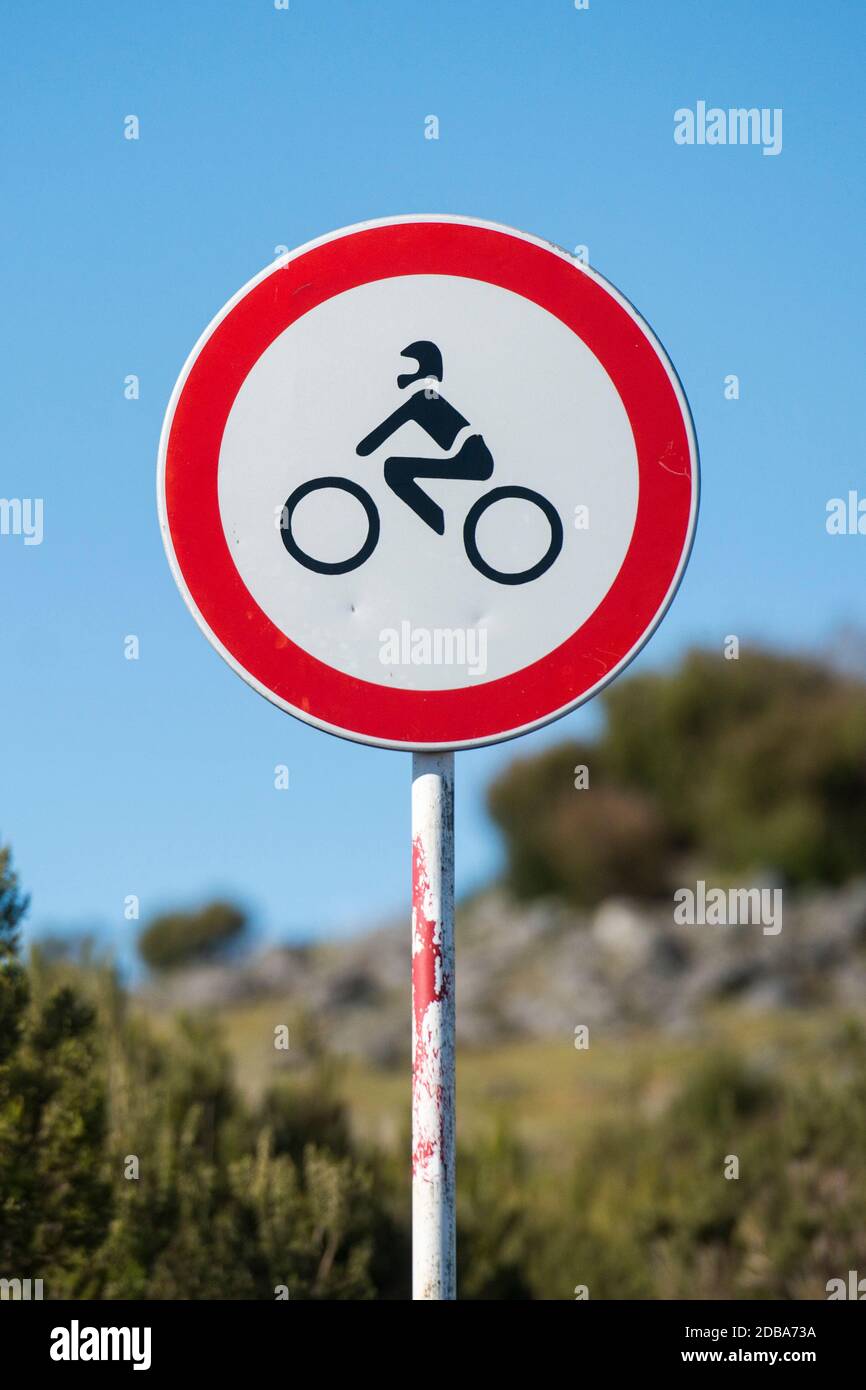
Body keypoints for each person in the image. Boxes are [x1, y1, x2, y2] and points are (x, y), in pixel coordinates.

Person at [355, 341, 493, 535]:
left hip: (472, 461)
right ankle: (438, 522)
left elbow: (374, 440)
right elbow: (432, 381)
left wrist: (361, 451)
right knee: (397, 467)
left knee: (394, 469)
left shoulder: (422, 400)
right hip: (474, 456)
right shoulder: (429, 397)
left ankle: (438, 524)